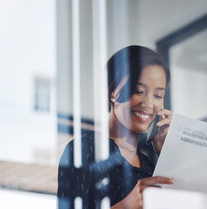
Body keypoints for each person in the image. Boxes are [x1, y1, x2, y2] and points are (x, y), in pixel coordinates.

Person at [57, 45, 174, 209]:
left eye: (158, 95)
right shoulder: (84, 149)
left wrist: (165, 154)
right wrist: (126, 206)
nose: (148, 103)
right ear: (112, 90)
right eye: (138, 91)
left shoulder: (149, 166)